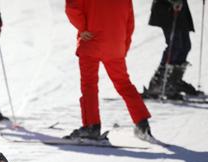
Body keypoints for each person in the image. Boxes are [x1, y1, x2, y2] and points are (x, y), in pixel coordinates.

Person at [65, 0, 153, 141]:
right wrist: (123, 46)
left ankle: (91, 126)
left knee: (89, 85)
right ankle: (142, 124)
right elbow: (130, 21)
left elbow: (72, 7)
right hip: (115, 45)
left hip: (91, 41)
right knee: (124, 84)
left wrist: (82, 27)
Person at [144, 0, 202, 99]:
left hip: (180, 7)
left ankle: (173, 81)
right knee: (175, 45)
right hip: (167, 8)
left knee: (185, 46)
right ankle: (158, 83)